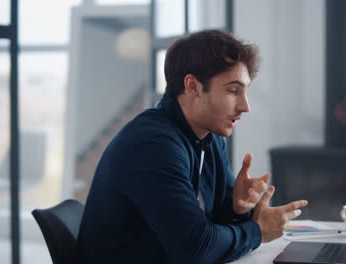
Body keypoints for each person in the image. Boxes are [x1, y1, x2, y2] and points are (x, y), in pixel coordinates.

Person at [78, 29, 308, 264]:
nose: (245, 106)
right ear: (193, 86)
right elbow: (196, 247)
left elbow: (215, 224)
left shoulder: (208, 134)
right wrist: (257, 232)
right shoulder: (152, 145)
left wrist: (236, 209)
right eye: (233, 90)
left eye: (245, 91)